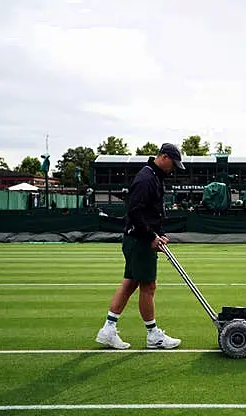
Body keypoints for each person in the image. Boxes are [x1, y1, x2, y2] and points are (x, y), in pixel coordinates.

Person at [95, 143, 186, 350]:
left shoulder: (153, 177)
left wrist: (159, 233)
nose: (173, 169)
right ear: (163, 157)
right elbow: (134, 212)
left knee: (130, 284)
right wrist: (151, 236)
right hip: (139, 240)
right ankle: (153, 335)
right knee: (148, 286)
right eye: (172, 164)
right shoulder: (146, 179)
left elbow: (152, 212)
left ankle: (108, 330)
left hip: (137, 239)